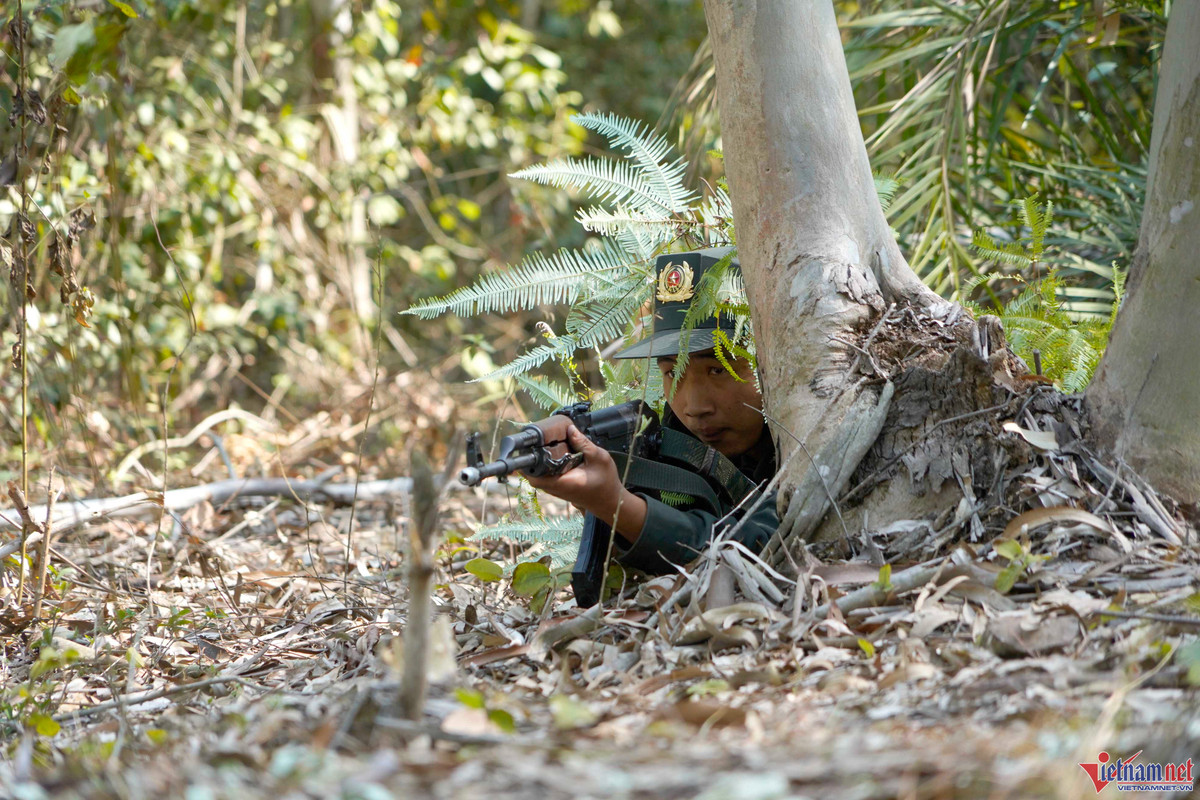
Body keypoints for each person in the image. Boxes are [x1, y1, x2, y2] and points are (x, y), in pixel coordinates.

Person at [525, 248, 778, 574]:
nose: (694, 407)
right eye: (673, 372)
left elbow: (764, 543)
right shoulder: (672, 441)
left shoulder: (813, 430)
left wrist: (616, 505)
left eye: (717, 370)